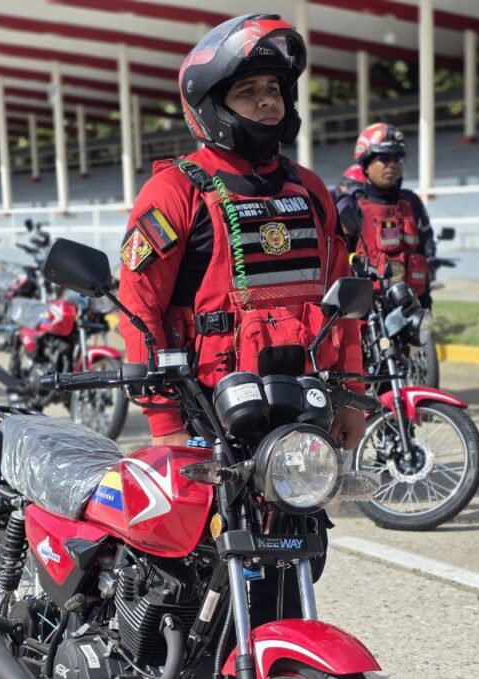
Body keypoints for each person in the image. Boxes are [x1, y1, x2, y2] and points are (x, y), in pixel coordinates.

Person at [117, 13, 365, 621]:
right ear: (212, 104)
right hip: (206, 410)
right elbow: (139, 305)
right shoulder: (177, 190)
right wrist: (163, 419)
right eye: (249, 91)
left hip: (299, 406)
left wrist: (353, 395)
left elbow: (341, 299)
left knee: (299, 551)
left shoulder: (310, 189)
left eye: (275, 89)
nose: (267, 102)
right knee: (194, 569)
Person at [333, 122, 436, 308]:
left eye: (396, 159)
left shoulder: (411, 202)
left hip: (411, 306)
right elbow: (337, 263)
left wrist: (426, 306)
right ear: (366, 163)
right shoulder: (351, 204)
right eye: (384, 158)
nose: (392, 165)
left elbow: (422, 253)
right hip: (368, 311)